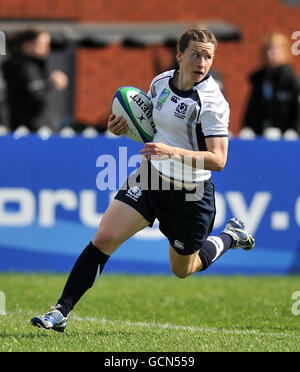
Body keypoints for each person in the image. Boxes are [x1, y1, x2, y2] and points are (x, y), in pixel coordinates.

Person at [31, 28, 255, 333]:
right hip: (151, 176)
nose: (202, 62)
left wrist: (170, 151)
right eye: (195, 54)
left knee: (183, 269)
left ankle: (230, 236)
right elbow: (147, 125)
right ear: (179, 55)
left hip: (190, 194)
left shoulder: (213, 103)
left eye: (208, 56)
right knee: (104, 238)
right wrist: (121, 126)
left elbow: (219, 160)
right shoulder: (160, 82)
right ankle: (60, 311)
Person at [2, 28, 68, 132]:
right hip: (33, 132)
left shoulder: (30, 66)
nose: (47, 49)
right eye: (43, 44)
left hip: (34, 130)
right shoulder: (26, 67)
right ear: (28, 45)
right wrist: (54, 84)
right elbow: (38, 100)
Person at [242, 32, 300, 136]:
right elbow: (252, 110)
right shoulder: (259, 80)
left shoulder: (292, 81)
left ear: (285, 52)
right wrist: (248, 128)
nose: (269, 55)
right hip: (262, 137)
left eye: (274, 51)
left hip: (287, 138)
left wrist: (296, 130)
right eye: (267, 50)